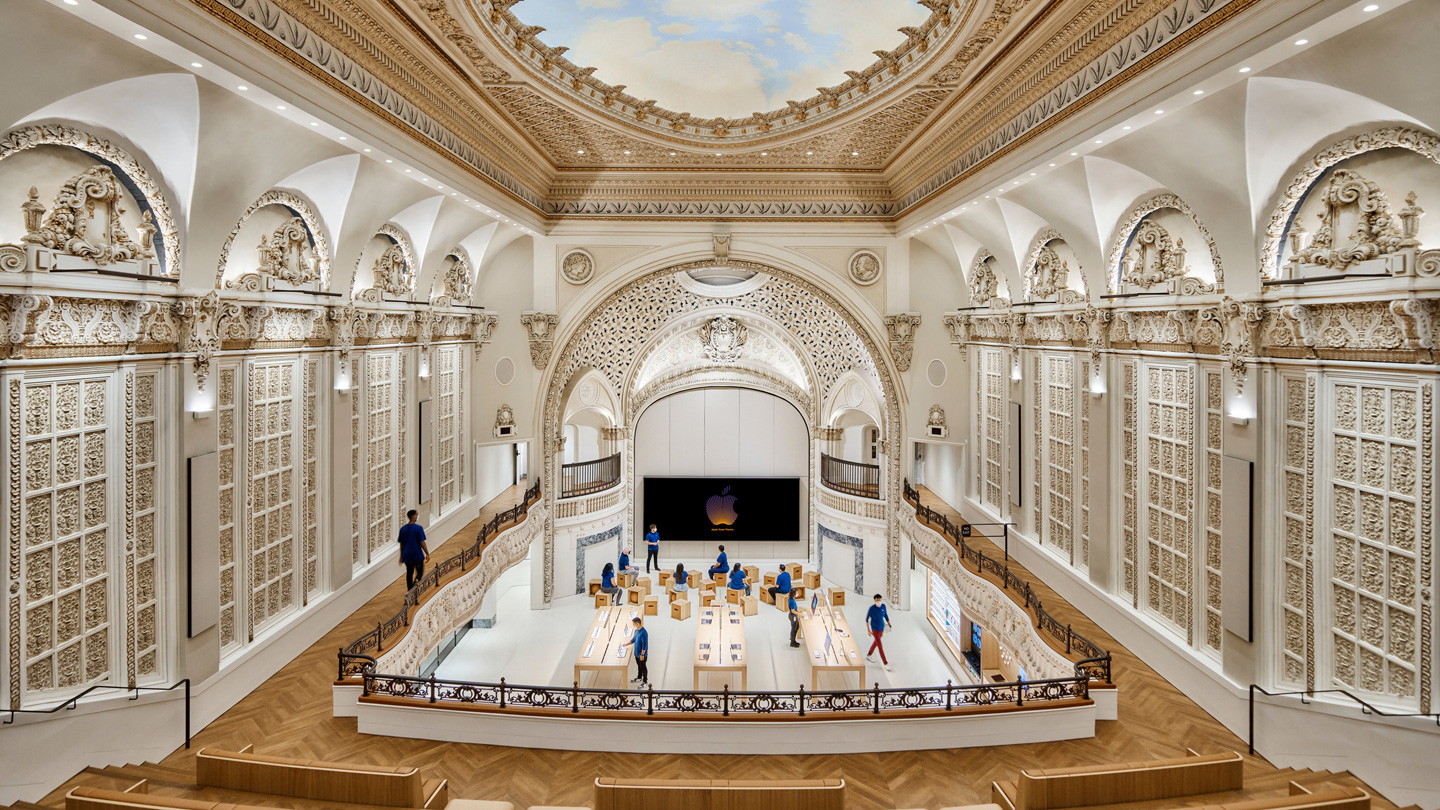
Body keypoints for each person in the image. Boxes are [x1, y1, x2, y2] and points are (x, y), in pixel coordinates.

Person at [397, 509, 430, 590]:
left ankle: (409, 589)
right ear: (413, 516)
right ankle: (415, 587)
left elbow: (401, 544)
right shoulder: (418, 528)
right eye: (416, 515)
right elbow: (422, 542)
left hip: (407, 555)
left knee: (409, 572)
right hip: (416, 554)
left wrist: (401, 556)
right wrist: (427, 553)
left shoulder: (403, 529)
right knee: (419, 572)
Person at [865, 593, 893, 671]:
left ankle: (869, 655)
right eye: (877, 600)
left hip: (881, 628)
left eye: (879, 599)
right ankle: (885, 663)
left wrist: (889, 623)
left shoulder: (883, 606)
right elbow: (867, 619)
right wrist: (868, 630)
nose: (878, 601)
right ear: (874, 600)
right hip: (875, 629)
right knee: (880, 646)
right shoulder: (871, 609)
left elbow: (885, 615)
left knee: (876, 642)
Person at [620, 616, 649, 685]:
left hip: (642, 655)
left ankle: (645, 681)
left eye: (633, 624)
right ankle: (639, 677)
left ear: (637, 624)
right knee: (639, 666)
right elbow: (634, 639)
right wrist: (627, 644)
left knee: (643, 666)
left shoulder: (644, 633)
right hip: (636, 653)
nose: (633, 625)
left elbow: (645, 646)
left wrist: (642, 655)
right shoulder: (636, 631)